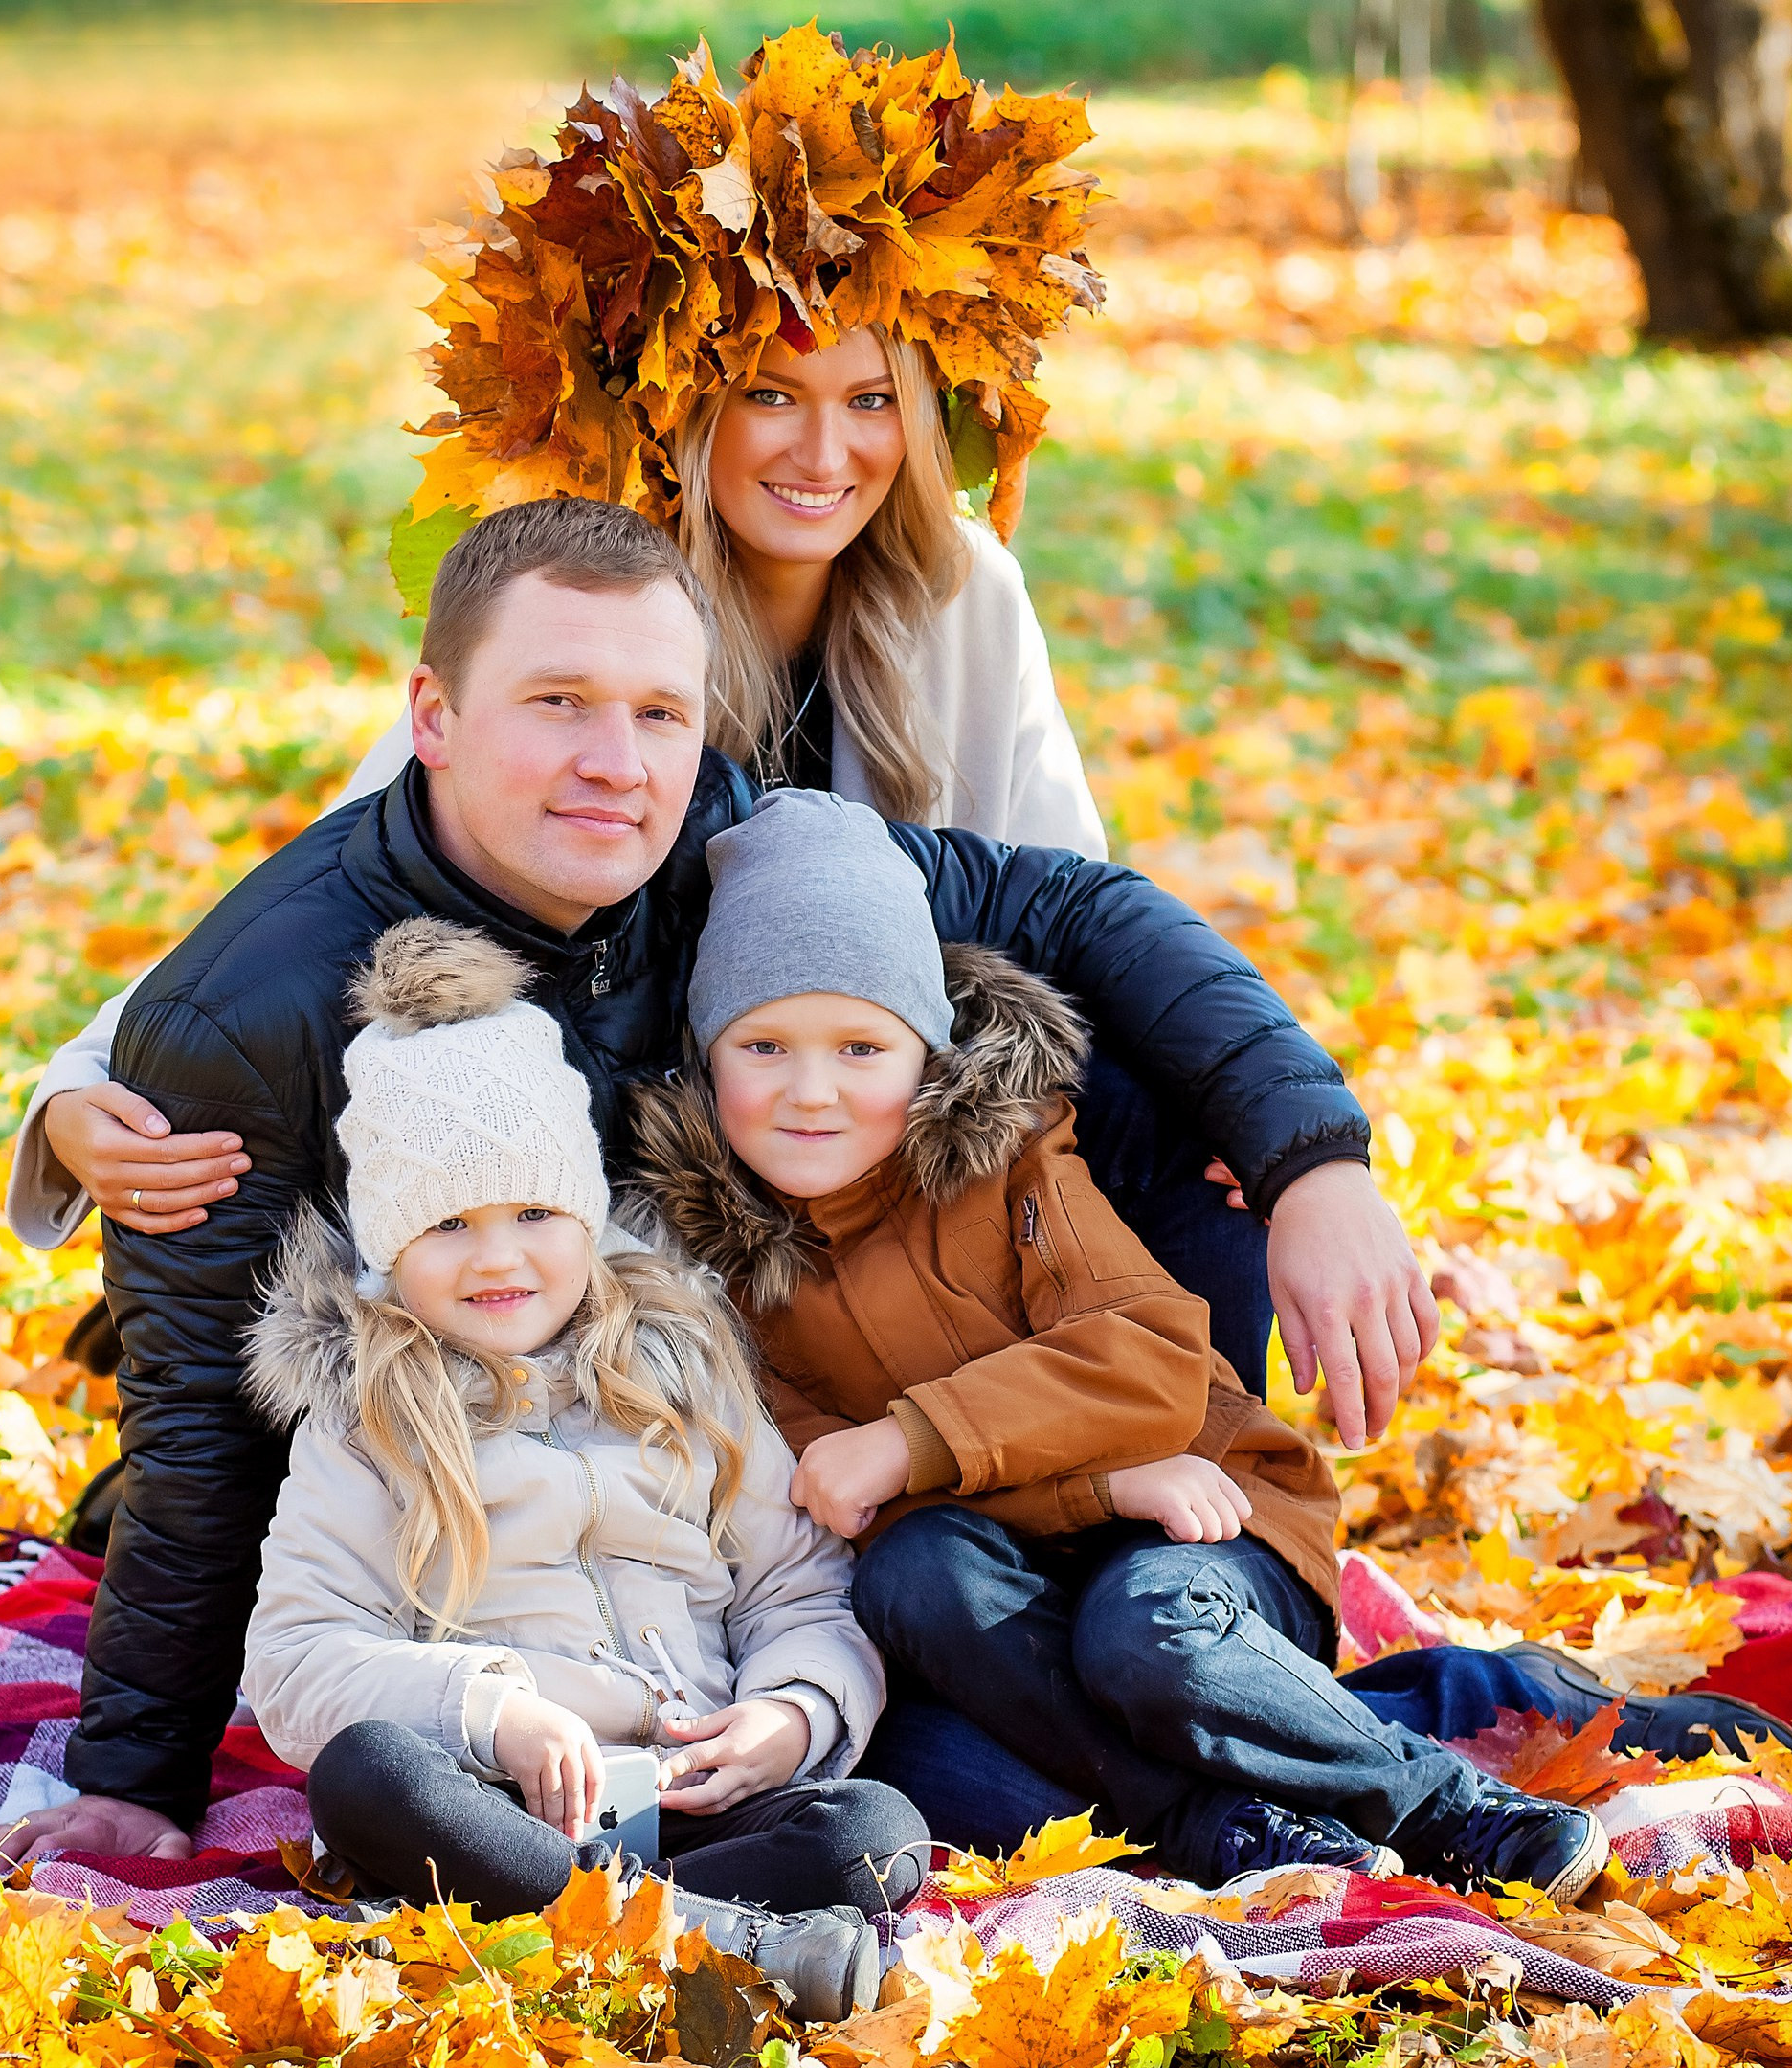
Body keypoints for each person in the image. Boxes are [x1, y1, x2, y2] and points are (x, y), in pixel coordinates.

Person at [0, 496, 1422, 1878]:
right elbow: (202, 1427)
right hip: (455, 1494)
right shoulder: (250, 1015)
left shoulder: (722, 840)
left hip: (725, 1462)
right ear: (432, 720)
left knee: (1145, 1097)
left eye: (659, 711)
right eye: (558, 704)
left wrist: (1315, 1162)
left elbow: (1070, 903)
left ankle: (1184, 1593)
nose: (619, 760)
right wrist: (133, 1780)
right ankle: (1208, 1768)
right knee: (910, 1751)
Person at [4, 32, 1321, 1422]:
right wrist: (84, 1091)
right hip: (646, 1155)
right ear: (693, 404)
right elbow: (353, 858)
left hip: (877, 1128)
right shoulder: (606, 613)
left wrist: (1269, 1131)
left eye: (873, 401)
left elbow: (1072, 905)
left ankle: (1202, 1530)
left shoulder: (962, 601)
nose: (827, 456)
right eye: (771, 395)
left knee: (1176, 1136)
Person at [631, 789, 1610, 1901]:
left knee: (1140, 1635)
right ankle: (1221, 1825)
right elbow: (862, 1511)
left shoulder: (1013, 1165)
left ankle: (1440, 1801)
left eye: (861, 1046)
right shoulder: (733, 1268)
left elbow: (1145, 1356)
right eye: (764, 1045)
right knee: (915, 1593)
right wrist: (1100, 1485)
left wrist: (913, 1441)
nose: (813, 1093)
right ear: (710, 1061)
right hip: (1013, 1591)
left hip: (1209, 1535)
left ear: (926, 1051)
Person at [240, 917, 920, 2021]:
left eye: (534, 1213)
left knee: (875, 1832)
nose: (500, 1256)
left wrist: (787, 1715)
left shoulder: (684, 1372)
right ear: (388, 1248)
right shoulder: (368, 1421)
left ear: (589, 1218)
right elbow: (296, 1660)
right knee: (367, 1775)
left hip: (689, 1792)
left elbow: (798, 1588)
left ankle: (625, 1937)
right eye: (450, 1224)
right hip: (494, 1804)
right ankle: (718, 1947)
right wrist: (487, 1709)